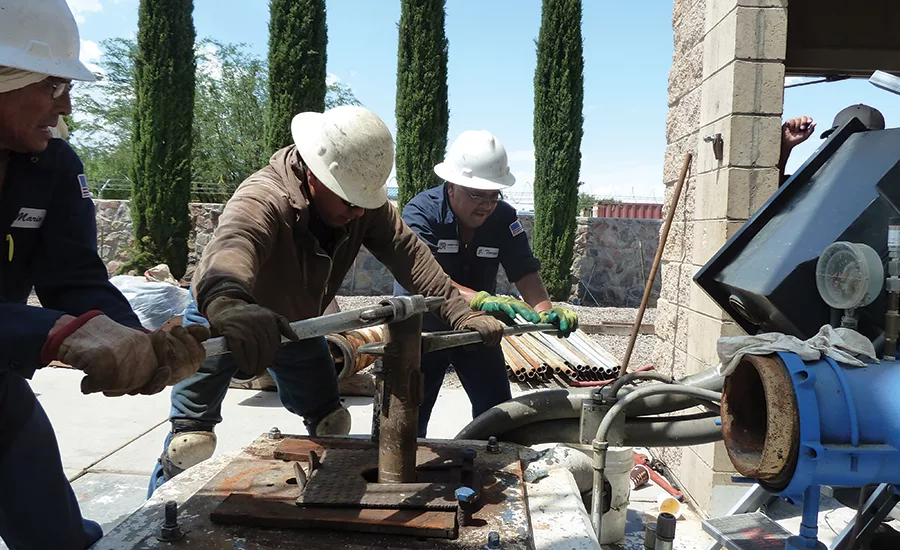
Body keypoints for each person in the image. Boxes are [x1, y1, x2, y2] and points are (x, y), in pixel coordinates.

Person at [148, 106, 507, 494]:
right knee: (190, 444)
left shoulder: (362, 207)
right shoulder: (264, 197)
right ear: (314, 171)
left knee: (331, 423)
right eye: (348, 201)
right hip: (222, 316)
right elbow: (233, 246)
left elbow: (411, 255)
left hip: (299, 324)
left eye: (363, 203)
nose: (356, 212)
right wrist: (230, 304)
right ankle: (155, 521)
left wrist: (458, 313)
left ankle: (322, 499)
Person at [0, 1, 209, 548]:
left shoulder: (51, 165)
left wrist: (136, 341)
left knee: (56, 537)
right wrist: (50, 332)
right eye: (51, 84)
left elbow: (74, 278)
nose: (66, 103)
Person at [395, 130, 579, 437]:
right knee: (407, 418)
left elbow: (524, 270)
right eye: (477, 195)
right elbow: (423, 278)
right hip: (421, 329)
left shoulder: (504, 218)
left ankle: (492, 472)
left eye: (494, 195)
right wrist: (480, 300)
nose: (486, 205)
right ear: (451, 186)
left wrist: (545, 310)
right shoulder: (420, 213)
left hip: (480, 328)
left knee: (498, 415)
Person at [778, 104, 885, 184]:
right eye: (836, 138)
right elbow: (775, 195)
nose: (843, 145)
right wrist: (785, 147)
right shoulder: (819, 180)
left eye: (852, 138)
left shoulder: (888, 182)